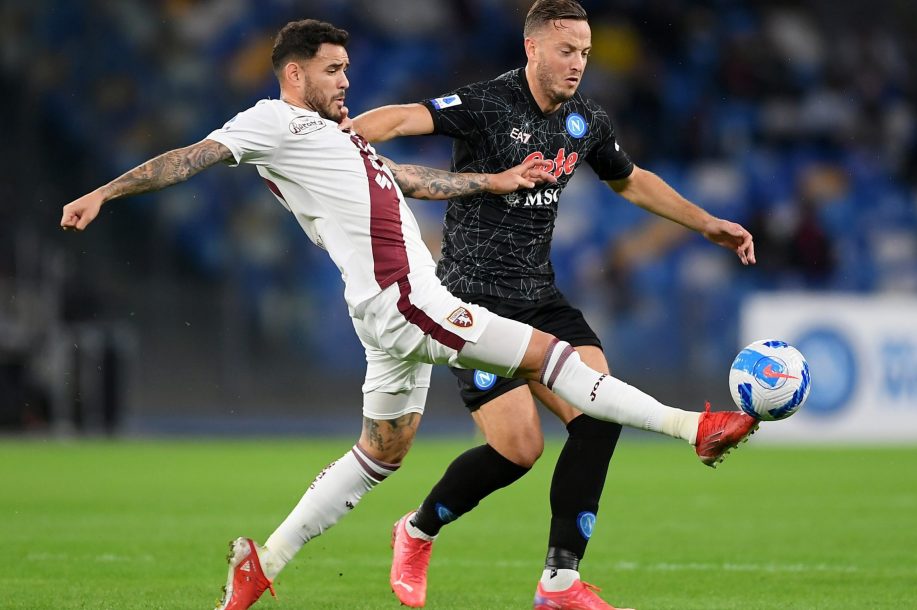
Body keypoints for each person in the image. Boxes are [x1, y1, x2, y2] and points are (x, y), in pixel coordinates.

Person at [60, 19, 757, 610]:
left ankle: (261, 566)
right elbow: (192, 158)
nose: (346, 83)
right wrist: (105, 192)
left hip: (393, 314)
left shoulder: (335, 138)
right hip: (407, 302)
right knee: (551, 358)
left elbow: (411, 180)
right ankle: (693, 427)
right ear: (294, 75)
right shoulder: (272, 122)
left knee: (379, 454)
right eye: (333, 71)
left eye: (348, 69)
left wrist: (491, 180)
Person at [351, 1, 758, 608]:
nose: (578, 64)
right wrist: (343, 139)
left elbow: (629, 178)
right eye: (567, 51)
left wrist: (705, 224)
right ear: (533, 48)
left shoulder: (583, 121)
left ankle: (559, 583)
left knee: (599, 416)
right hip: (470, 305)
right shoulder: (488, 104)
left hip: (539, 297)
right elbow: (407, 118)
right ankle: (415, 531)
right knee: (519, 450)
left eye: (586, 53)